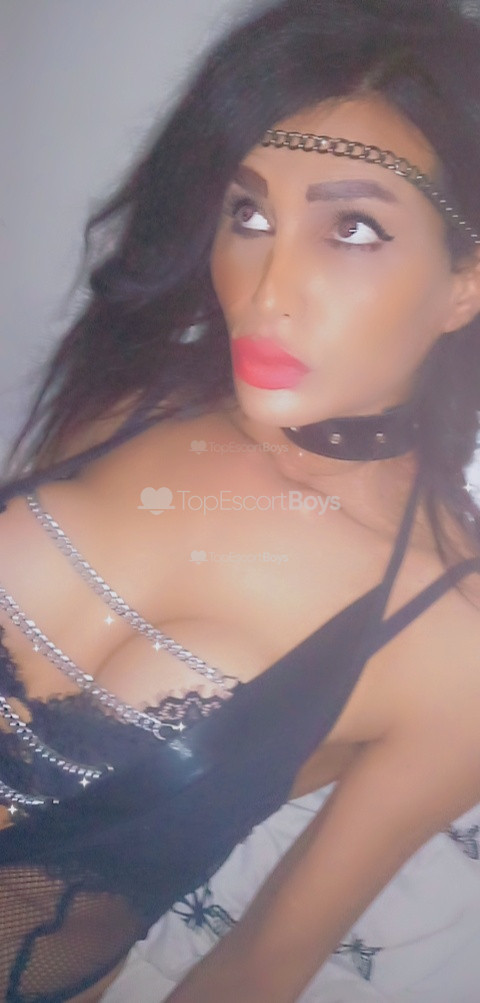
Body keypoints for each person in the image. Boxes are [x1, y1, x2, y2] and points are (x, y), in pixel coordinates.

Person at [1, 0, 480, 1000]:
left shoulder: (450, 639)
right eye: (249, 214)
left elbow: (258, 967)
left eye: (352, 228)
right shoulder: (134, 397)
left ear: (464, 285)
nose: (266, 288)